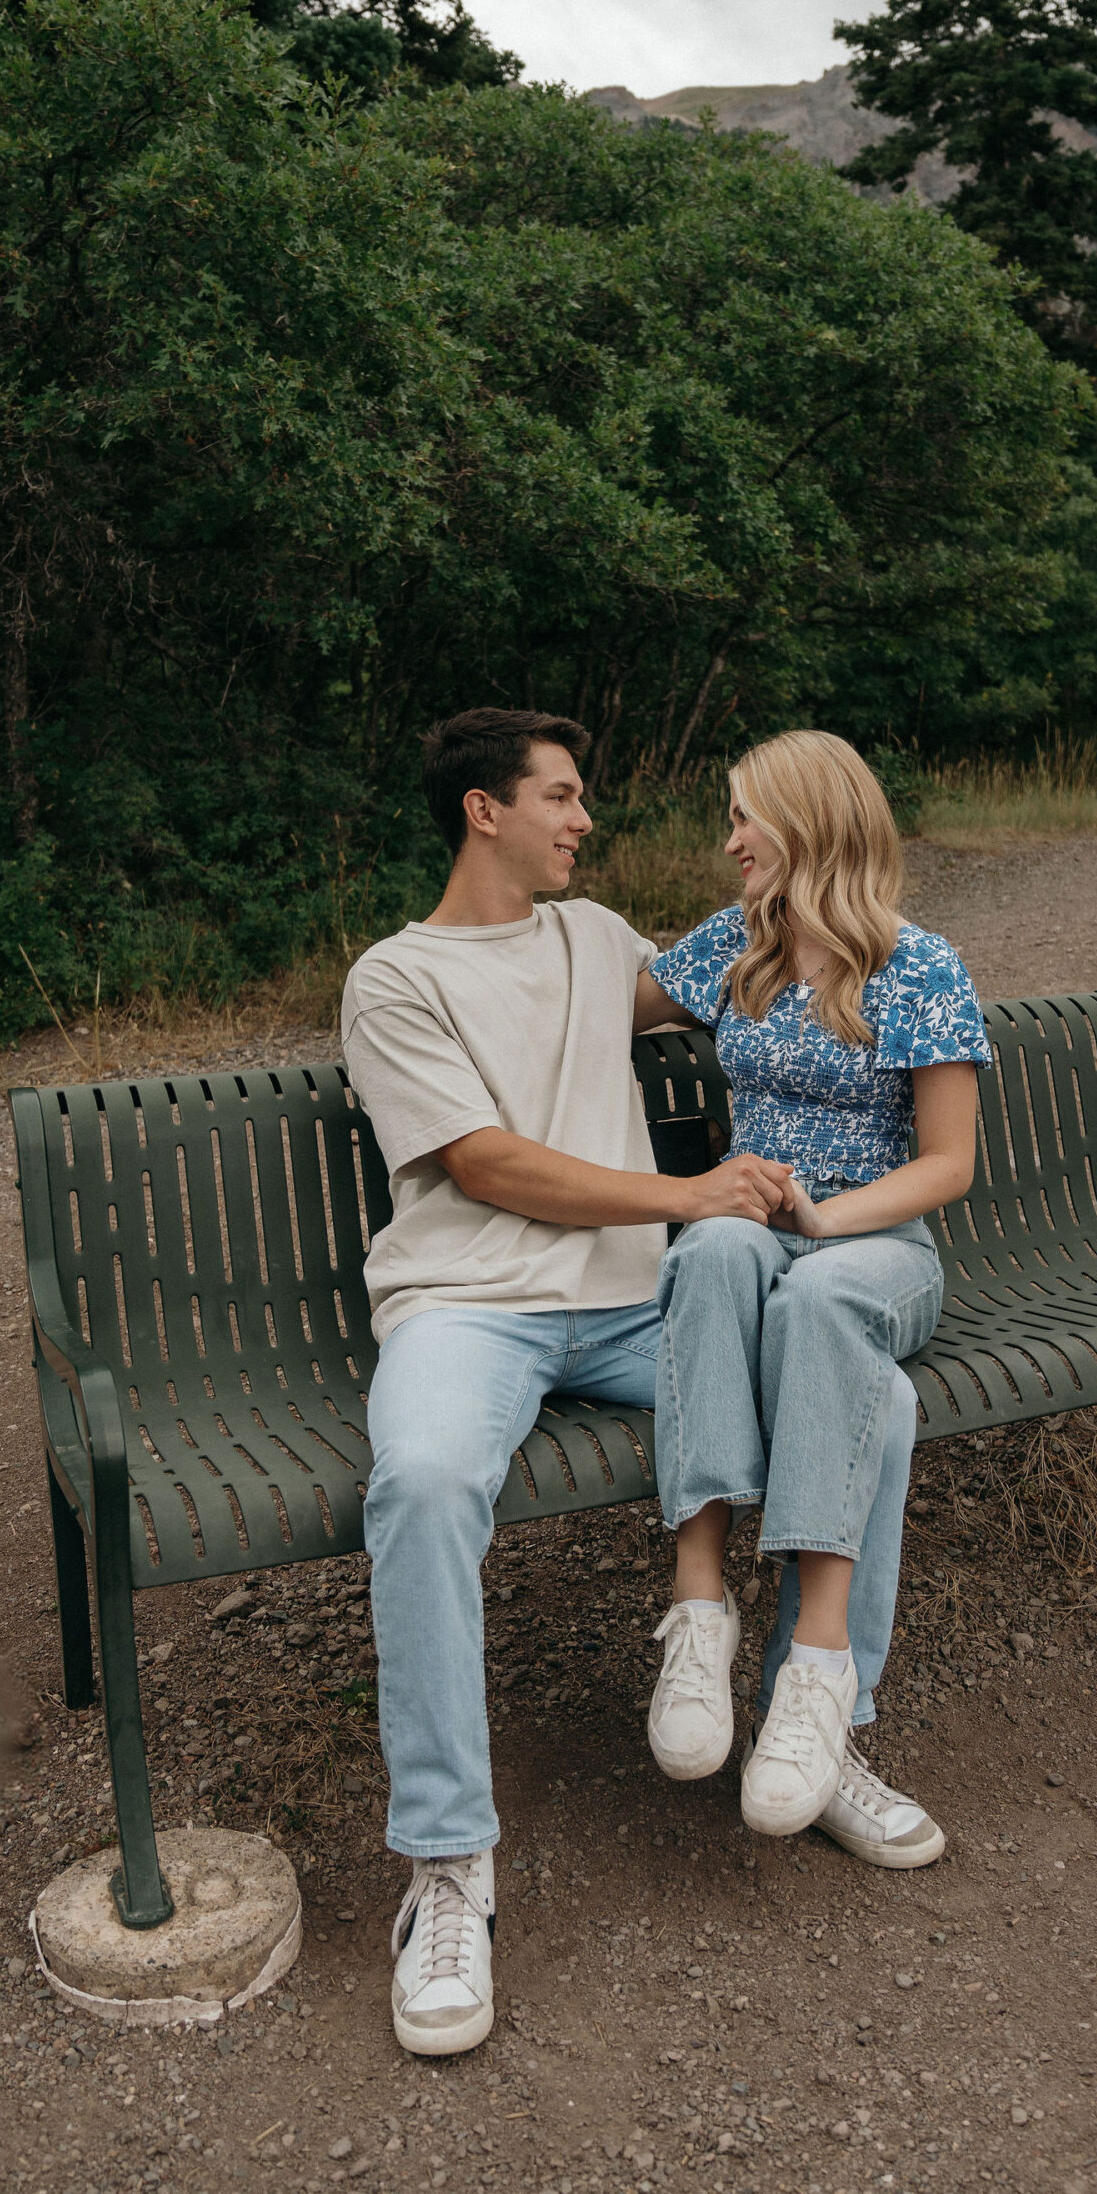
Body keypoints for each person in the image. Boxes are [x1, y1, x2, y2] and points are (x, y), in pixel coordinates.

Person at [340, 707, 793, 2058]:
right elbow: (486, 1165)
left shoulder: (596, 941)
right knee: (420, 1482)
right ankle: (443, 1868)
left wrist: (778, 869)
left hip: (626, 1309)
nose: (581, 819)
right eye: (559, 796)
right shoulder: (395, 978)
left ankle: (800, 1713)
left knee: (849, 1394)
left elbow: (729, 970)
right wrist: (683, 1190)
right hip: (472, 1314)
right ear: (484, 809)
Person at [639, 729, 987, 1867]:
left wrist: (828, 1220)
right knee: (711, 1254)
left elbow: (947, 1164)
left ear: (811, 821)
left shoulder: (919, 966)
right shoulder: (734, 951)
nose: (729, 839)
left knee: (821, 1306)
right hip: (754, 1230)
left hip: (874, 1243)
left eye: (746, 816)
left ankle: (816, 1674)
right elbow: (589, 994)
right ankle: (700, 1615)